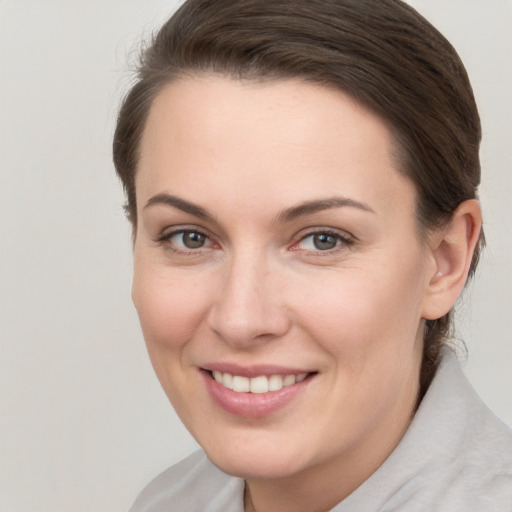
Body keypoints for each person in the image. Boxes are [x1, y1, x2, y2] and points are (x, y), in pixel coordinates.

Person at [113, 0, 512, 510]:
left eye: (323, 239)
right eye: (189, 237)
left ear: (444, 260)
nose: (240, 319)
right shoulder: (167, 501)